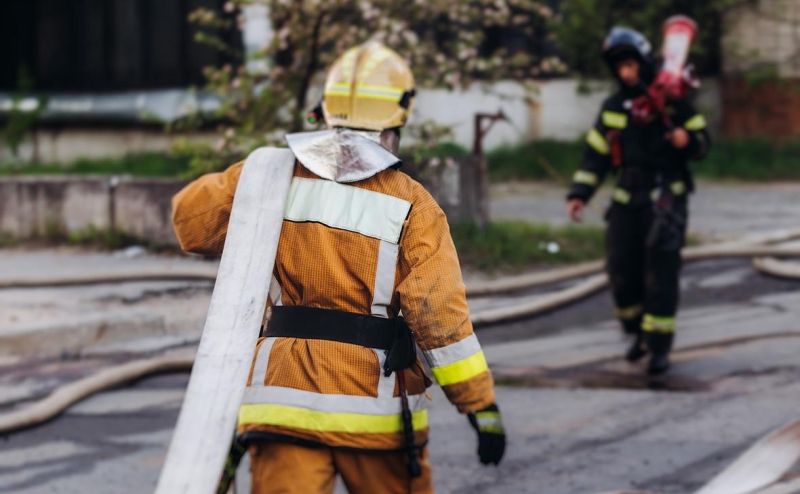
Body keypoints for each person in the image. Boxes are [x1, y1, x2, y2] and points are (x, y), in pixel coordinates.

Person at [172, 41, 505, 494]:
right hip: (375, 416)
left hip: (279, 408)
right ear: (398, 116)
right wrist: (479, 406)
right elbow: (437, 315)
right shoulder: (411, 203)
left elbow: (189, 224)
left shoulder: (273, 175)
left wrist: (253, 170)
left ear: (324, 109)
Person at [566, 27, 711, 375]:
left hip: (666, 199)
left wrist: (684, 140)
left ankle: (659, 347)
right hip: (626, 199)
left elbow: (703, 141)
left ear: (644, 62)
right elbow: (595, 155)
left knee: (661, 273)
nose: (626, 73)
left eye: (631, 64)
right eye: (620, 67)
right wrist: (579, 193)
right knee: (620, 270)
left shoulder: (674, 103)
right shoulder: (614, 107)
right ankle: (638, 334)